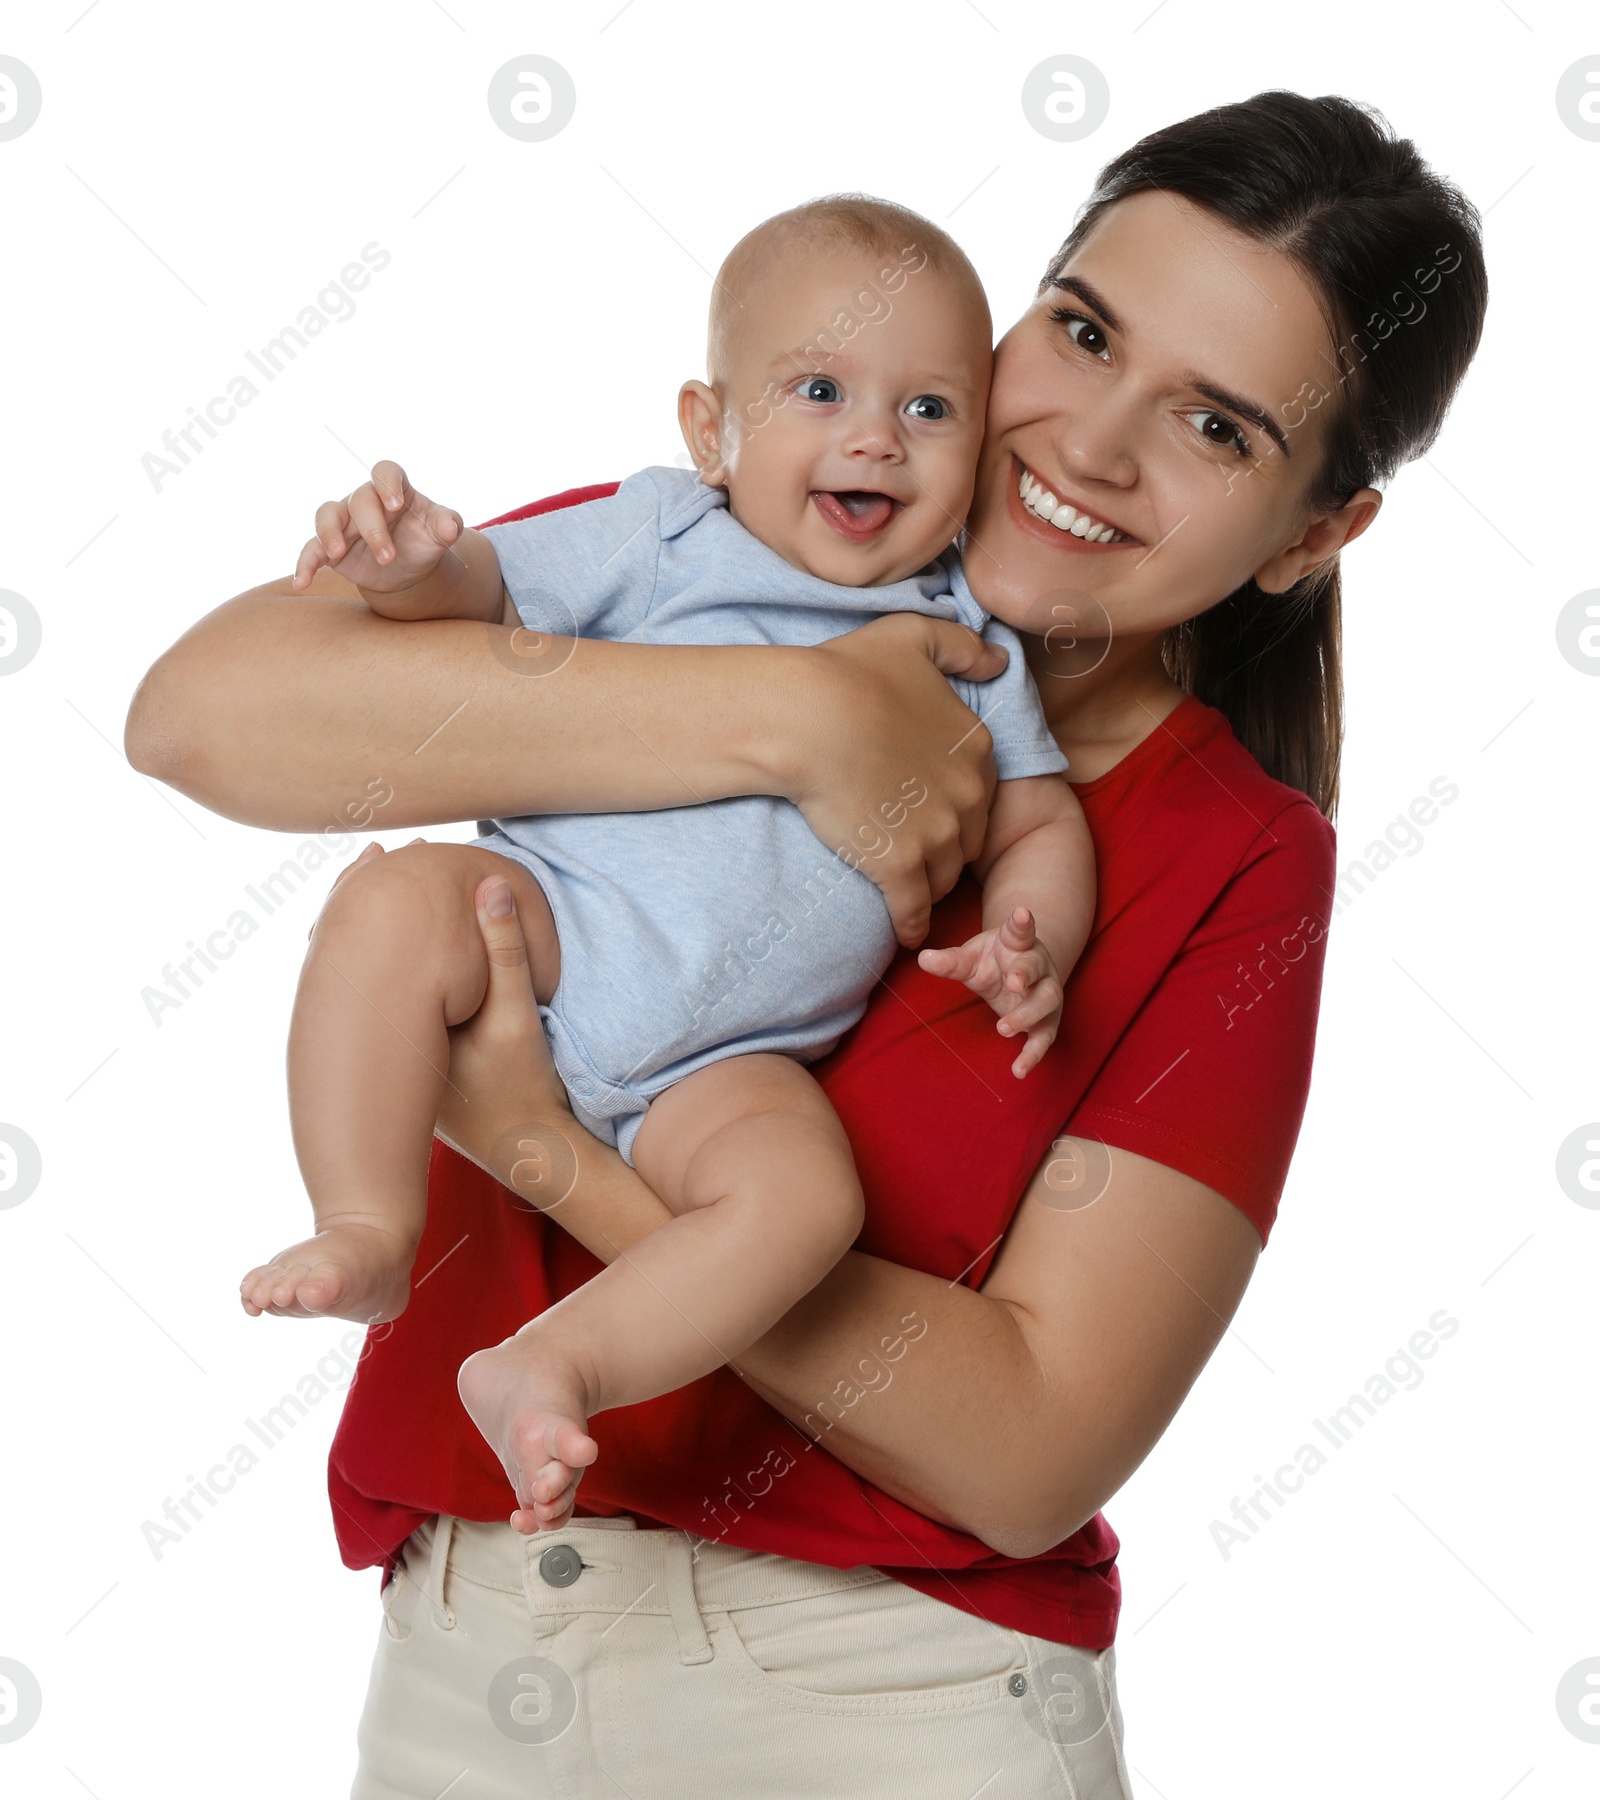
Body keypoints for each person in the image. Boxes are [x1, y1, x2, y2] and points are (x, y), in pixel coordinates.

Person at [127, 91, 1486, 1799]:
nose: (1088, 445)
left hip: (891, 1698)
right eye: (1080, 333)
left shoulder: (1233, 864)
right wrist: (789, 715)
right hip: (473, 1659)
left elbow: (1033, 1451)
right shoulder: (703, 552)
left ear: (1311, 534)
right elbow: (200, 722)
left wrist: (550, 1148)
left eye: (1216, 429)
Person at [238, 199, 1096, 1537]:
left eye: (930, 410)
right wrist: (415, 570)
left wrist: (1028, 937)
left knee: (805, 1204)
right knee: (395, 899)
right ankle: (363, 1221)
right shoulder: (661, 536)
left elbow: (1041, 818)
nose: (875, 435)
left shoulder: (963, 629)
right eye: (820, 390)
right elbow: (484, 604)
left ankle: (555, 1363)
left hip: (737, 1064)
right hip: (551, 932)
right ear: (713, 431)